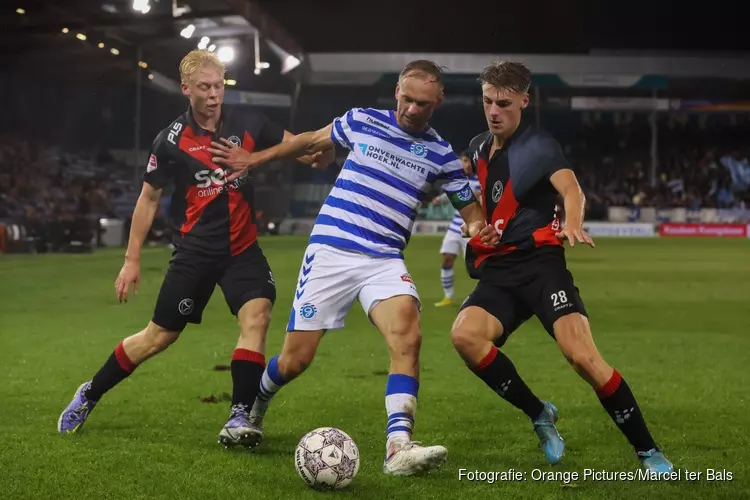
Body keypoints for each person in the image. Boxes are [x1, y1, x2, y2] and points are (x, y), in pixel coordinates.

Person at [209, 60, 497, 476]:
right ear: (397, 91)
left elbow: (468, 206)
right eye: (408, 99)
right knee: (294, 361)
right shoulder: (361, 120)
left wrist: (476, 227)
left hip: (383, 258)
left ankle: (397, 448)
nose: (413, 109)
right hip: (331, 253)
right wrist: (254, 159)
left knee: (407, 335)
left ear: (439, 101)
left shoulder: (441, 154)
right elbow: (310, 139)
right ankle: (254, 406)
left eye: (423, 103)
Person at [57, 49, 329, 447]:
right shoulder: (169, 141)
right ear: (186, 89)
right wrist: (131, 260)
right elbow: (148, 200)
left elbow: (298, 148)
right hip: (194, 253)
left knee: (258, 317)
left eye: (219, 85)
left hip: (242, 249)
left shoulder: (250, 123)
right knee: (158, 337)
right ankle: (90, 393)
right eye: (205, 87)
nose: (214, 94)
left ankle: (239, 416)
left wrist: (321, 151)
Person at [449, 61, 673, 473]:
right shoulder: (480, 145)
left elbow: (571, 188)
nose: (493, 111)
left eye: (503, 103)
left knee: (582, 357)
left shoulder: (540, 145)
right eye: (487, 102)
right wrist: (478, 228)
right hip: (501, 270)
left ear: (524, 102)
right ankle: (539, 413)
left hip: (541, 266)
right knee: (464, 336)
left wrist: (573, 222)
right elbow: (480, 209)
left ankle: (648, 451)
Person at [432, 150, 482, 307]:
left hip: (472, 229)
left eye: (467, 161)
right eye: (462, 161)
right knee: (447, 258)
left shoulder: (481, 179)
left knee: (476, 267)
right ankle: (448, 296)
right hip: (455, 228)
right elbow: (452, 194)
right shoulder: (458, 180)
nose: (465, 164)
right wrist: (439, 199)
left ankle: (482, 298)